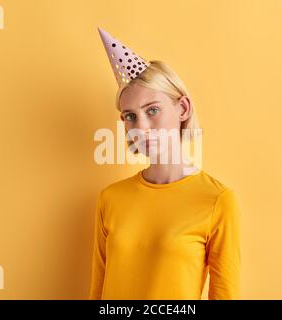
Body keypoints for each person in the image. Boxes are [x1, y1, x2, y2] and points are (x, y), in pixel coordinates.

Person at [89, 28, 241, 300]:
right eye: (130, 116)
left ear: (182, 109)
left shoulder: (217, 200)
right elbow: (98, 293)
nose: (141, 127)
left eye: (153, 110)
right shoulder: (110, 198)